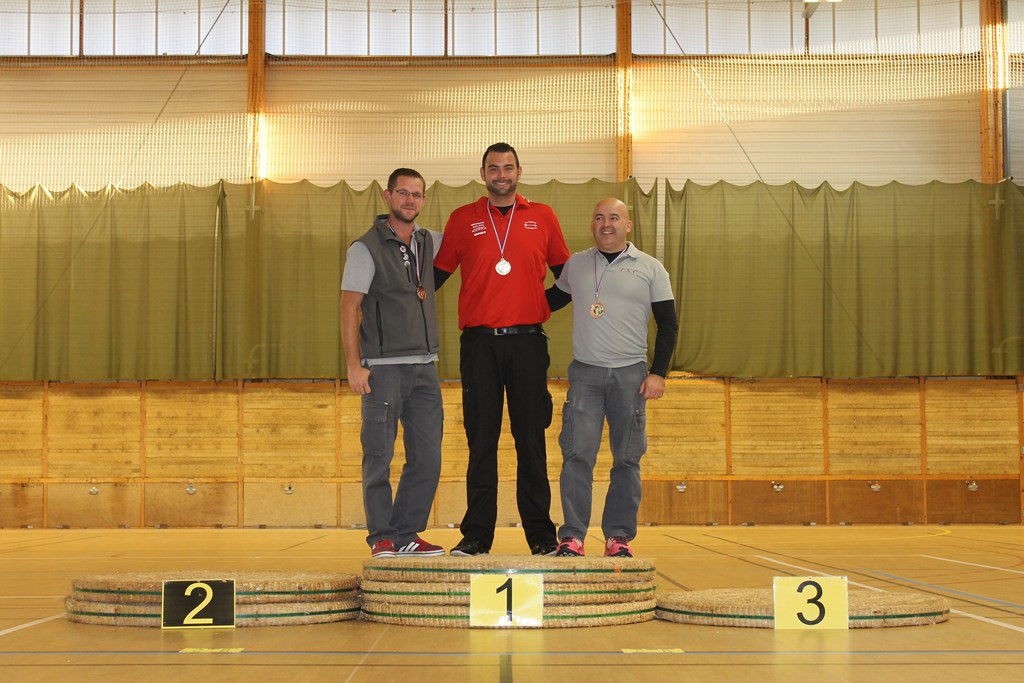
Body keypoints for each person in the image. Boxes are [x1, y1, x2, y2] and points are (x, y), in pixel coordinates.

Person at [434, 143, 570, 556]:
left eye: (508, 167)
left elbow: (569, 278)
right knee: (481, 442)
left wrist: (538, 306)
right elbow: (435, 278)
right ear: (483, 174)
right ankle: (477, 536)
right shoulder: (463, 219)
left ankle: (542, 536)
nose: (501, 175)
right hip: (479, 346)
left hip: (528, 344)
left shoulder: (543, 216)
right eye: (493, 168)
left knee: (531, 441)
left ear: (519, 171)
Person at [546, 198, 678, 558]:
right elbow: (550, 301)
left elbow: (668, 324)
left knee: (627, 459)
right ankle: (572, 537)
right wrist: (506, 300)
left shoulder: (651, 268)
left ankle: (618, 537)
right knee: (576, 455)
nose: (607, 224)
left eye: (615, 217)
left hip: (631, 376)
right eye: (600, 217)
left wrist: (658, 373)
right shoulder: (576, 264)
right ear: (592, 224)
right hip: (585, 375)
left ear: (628, 225)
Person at [340, 168, 445, 558]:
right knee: (379, 455)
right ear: (387, 196)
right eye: (403, 193)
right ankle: (382, 535)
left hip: (426, 368)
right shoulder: (365, 248)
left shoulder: (429, 241)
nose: (410, 200)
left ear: (423, 199)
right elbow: (349, 307)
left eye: (417, 194)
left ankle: (406, 532)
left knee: (427, 457)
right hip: (383, 369)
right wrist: (354, 365)